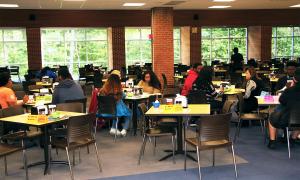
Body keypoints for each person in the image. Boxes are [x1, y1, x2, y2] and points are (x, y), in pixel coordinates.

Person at [268, 67, 300, 149]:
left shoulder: (290, 91)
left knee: (272, 118)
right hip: (297, 120)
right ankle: (293, 139)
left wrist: (290, 88)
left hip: (287, 120)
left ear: (295, 79)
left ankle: (272, 141)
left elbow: (281, 101)